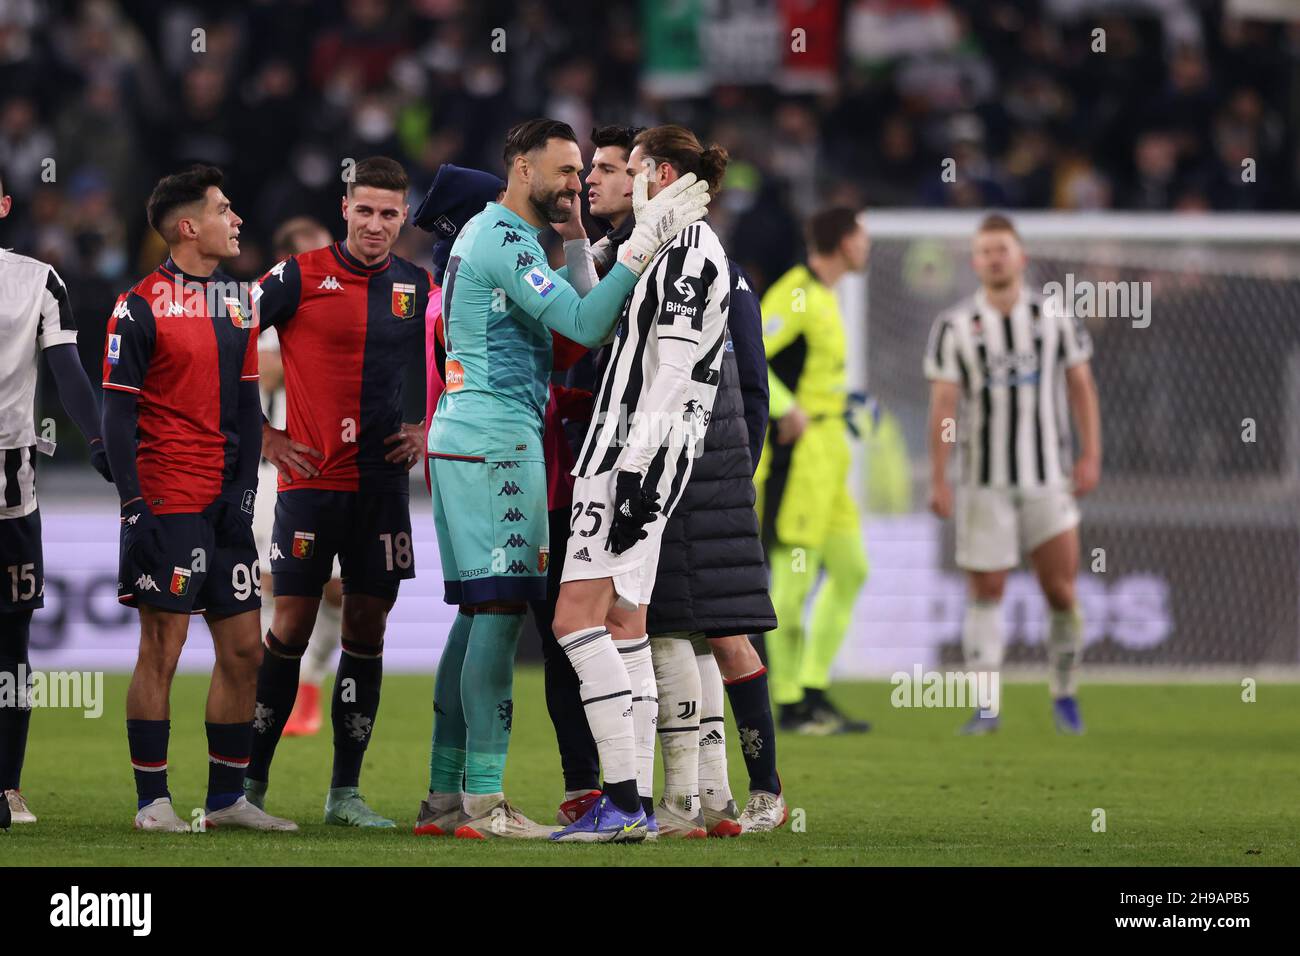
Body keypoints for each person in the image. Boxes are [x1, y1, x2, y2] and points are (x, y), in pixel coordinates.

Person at [422, 118, 711, 841]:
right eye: (564, 172)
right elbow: (586, 324)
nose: (576, 185)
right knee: (496, 616)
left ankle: (444, 794)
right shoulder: (507, 240)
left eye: (583, 174)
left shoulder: (503, 237)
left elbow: (576, 330)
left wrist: (583, 238)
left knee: (474, 614)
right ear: (521, 168)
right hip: (494, 442)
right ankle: (485, 803)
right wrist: (640, 245)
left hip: (471, 434)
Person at [552, 124, 731, 842]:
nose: (620, 177)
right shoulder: (668, 244)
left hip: (628, 457)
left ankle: (622, 800)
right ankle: (639, 804)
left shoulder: (689, 252)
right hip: (642, 461)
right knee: (627, 627)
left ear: (655, 172)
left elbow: (674, 374)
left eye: (629, 167)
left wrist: (636, 475)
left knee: (573, 620)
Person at [101, 165, 294, 832]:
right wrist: (133, 505)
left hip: (223, 504)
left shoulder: (239, 303)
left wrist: (243, 493)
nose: (236, 219)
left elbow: (246, 407)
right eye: (223, 209)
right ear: (190, 227)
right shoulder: (139, 304)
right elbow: (117, 415)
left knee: (245, 650)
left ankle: (225, 801)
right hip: (167, 498)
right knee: (164, 645)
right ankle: (152, 801)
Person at [244, 156, 432, 828]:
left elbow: (462, 355)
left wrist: (429, 425)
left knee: (366, 627)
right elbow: (226, 335)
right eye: (366, 210)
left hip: (381, 489)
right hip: (308, 484)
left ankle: (344, 794)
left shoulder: (418, 286)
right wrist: (263, 433)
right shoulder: (298, 276)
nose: (377, 224)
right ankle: (252, 786)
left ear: (403, 216)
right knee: (289, 623)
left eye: (389, 213)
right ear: (344, 208)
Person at [924, 213, 1101, 734]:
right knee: (986, 590)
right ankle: (986, 706)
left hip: (1048, 477)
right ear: (975, 262)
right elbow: (943, 405)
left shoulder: (1055, 317)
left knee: (1061, 591)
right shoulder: (954, 326)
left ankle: (1065, 692)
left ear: (1020, 256)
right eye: (984, 251)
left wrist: (1091, 455)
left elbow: (1081, 387)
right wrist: (939, 476)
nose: (994, 258)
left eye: (1002, 248)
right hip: (983, 479)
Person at [0, 165, 113, 827]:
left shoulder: (38, 279)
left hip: (12, 492)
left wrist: (103, 448)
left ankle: (7, 788)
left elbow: (69, 373)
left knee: (12, 643)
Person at [756, 207, 872, 735]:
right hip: (800, 458)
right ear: (843, 241)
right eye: (862, 236)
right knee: (793, 581)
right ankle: (789, 702)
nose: (867, 245)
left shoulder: (825, 296)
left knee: (851, 569)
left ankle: (814, 688)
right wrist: (784, 407)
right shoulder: (797, 291)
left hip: (832, 452)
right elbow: (749, 350)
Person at [252, 216, 341, 738]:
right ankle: (277, 693)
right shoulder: (267, 306)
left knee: (337, 589)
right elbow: (260, 370)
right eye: (317, 254)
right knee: (275, 584)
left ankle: (308, 685)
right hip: (274, 469)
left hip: (338, 464)